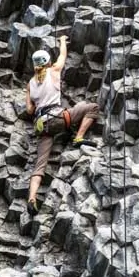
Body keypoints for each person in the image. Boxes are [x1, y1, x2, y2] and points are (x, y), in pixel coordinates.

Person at [25, 35, 99, 215]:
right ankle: (79, 136)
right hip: (58, 118)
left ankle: (32, 198)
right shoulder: (53, 71)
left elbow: (29, 110)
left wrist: (38, 99)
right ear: (48, 62)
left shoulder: (30, 83)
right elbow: (62, 57)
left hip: (42, 126)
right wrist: (62, 42)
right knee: (92, 108)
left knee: (39, 165)